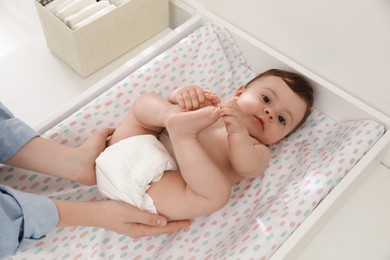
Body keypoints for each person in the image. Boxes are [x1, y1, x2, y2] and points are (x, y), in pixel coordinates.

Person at [96, 68, 314, 220]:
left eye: (282, 120)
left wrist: (237, 131)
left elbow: (247, 166)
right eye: (266, 99)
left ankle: (183, 135)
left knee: (219, 195)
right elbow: (171, 101)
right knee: (147, 102)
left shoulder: (259, 150)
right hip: (126, 149)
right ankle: (171, 118)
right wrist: (182, 98)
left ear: (281, 139)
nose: (270, 113)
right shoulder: (211, 105)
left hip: (156, 190)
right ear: (239, 94)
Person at [0, 101, 190, 258]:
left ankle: (73, 163)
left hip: (125, 156)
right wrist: (96, 214)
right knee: (212, 194)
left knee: (143, 109)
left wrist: (176, 106)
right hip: (145, 187)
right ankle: (73, 164)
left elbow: (143, 109)